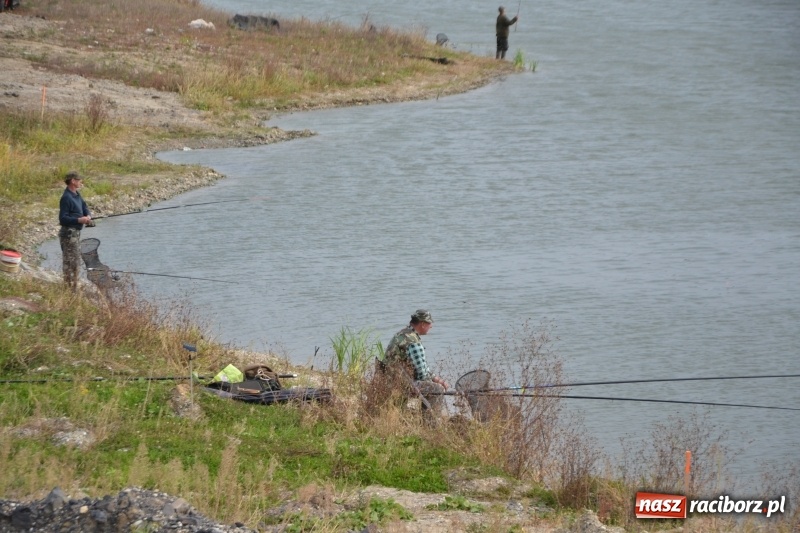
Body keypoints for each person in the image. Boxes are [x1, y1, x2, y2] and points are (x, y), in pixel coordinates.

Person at [383, 309, 449, 423]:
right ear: (422, 324)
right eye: (429, 323)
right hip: (399, 383)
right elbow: (422, 375)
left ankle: (424, 418)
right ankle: (431, 423)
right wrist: (438, 384)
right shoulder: (413, 342)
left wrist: (437, 379)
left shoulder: (403, 334)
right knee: (436, 389)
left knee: (434, 384)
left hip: (389, 379)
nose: (431, 326)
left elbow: (422, 368)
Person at [58, 171, 92, 289]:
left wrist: (88, 216)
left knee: (75, 261)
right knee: (72, 262)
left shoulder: (77, 194)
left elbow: (84, 207)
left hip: (76, 233)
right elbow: (62, 219)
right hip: (68, 234)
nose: (81, 182)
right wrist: (79, 220)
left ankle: (72, 287)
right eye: (79, 180)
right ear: (73, 181)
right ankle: (70, 288)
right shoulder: (66, 197)